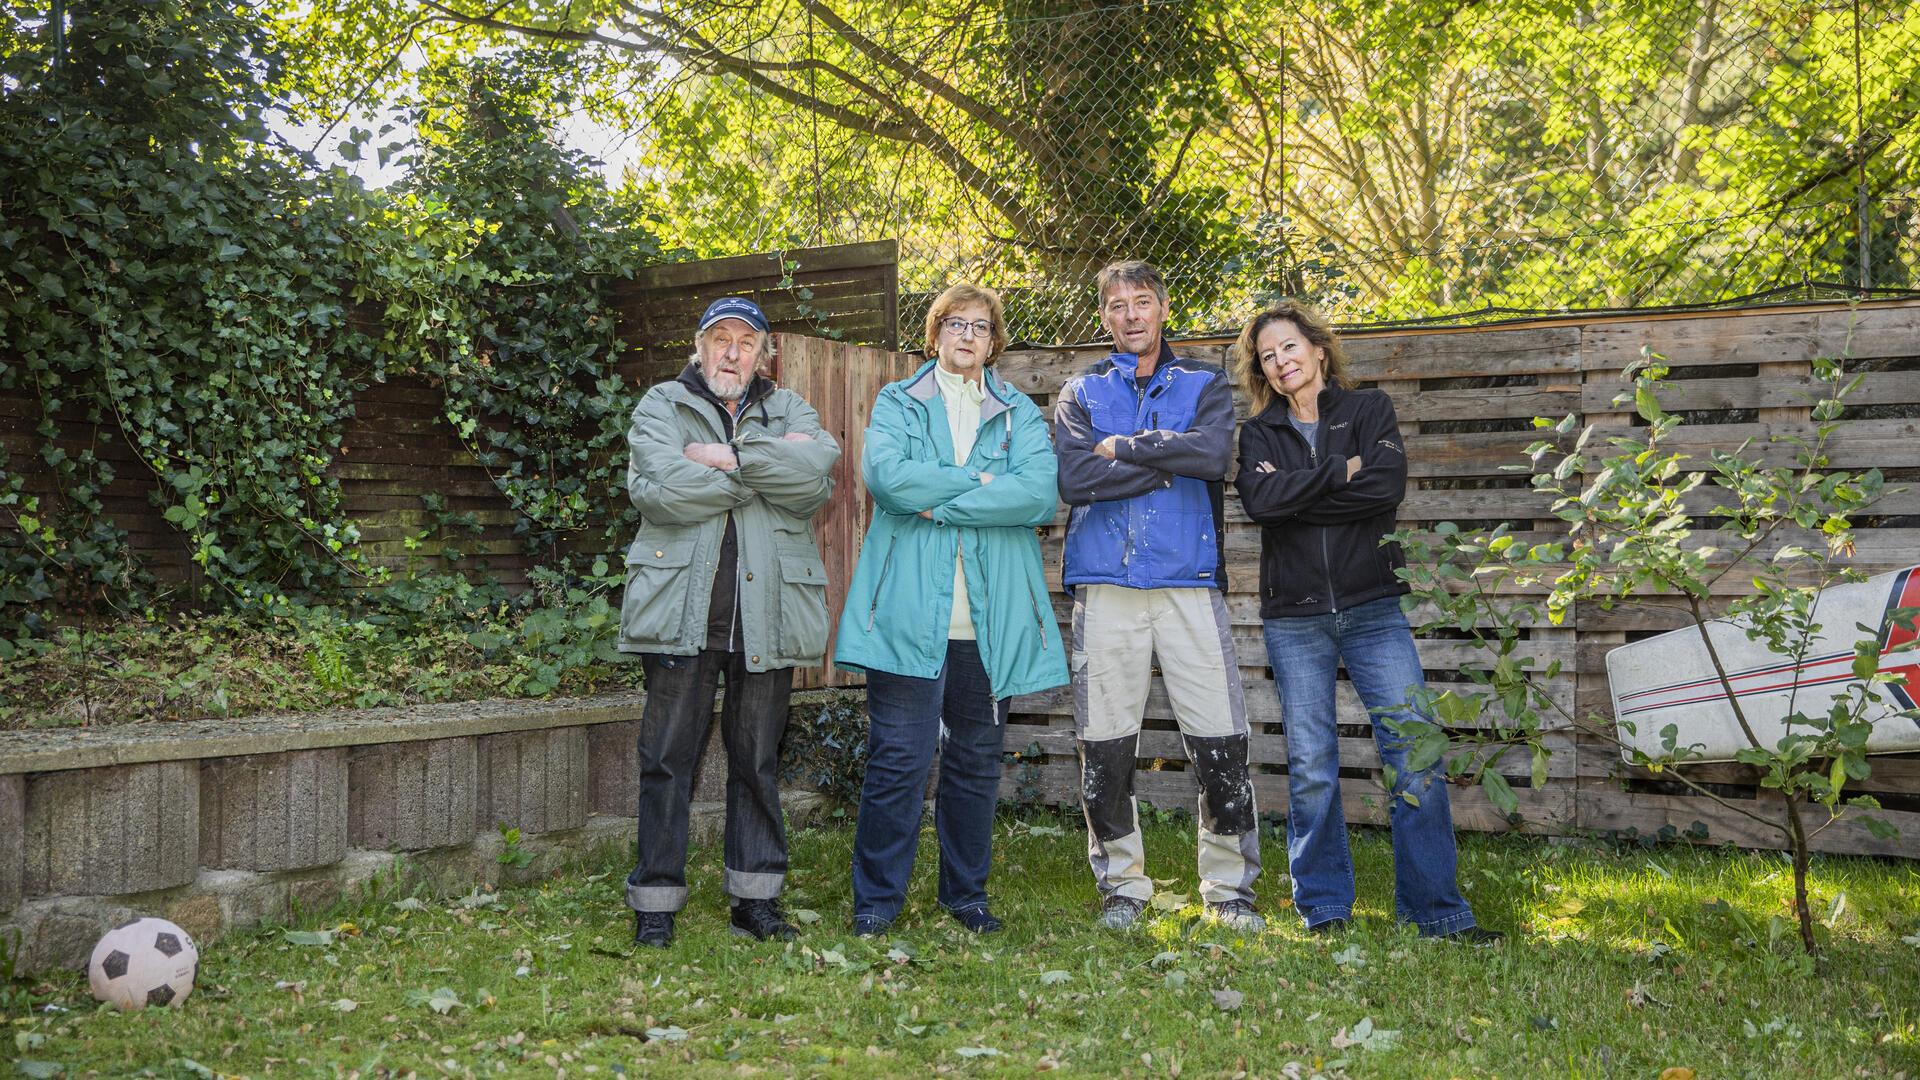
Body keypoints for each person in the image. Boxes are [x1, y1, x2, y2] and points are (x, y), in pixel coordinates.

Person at [1230, 300, 1501, 944]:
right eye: (1268, 356)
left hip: (1374, 608)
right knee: (1313, 761)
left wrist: (1302, 492)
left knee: (1414, 753)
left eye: (1290, 347)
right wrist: (1336, 473)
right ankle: (1323, 905)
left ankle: (1435, 911)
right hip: (1294, 620)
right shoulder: (1260, 434)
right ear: (1260, 370)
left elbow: (1383, 490)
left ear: (1319, 350)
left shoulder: (1369, 410)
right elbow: (1263, 505)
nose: (1281, 361)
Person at [834, 283, 1067, 938]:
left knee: (974, 762)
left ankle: (965, 898)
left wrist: (942, 493)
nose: (968, 335)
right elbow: (889, 480)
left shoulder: (1018, 409)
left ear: (995, 343)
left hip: (989, 627)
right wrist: (988, 483)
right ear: (934, 335)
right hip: (911, 618)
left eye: (982, 326)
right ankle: (876, 904)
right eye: (956, 324)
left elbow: (1038, 497)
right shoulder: (898, 400)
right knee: (898, 761)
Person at [618, 296, 842, 948]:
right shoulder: (662, 404)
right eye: (721, 338)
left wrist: (722, 456)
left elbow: (815, 480)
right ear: (700, 346)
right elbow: (657, 487)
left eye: (747, 340)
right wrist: (767, 464)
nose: (733, 352)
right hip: (681, 613)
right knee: (666, 759)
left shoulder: (791, 408)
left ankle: (756, 902)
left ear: (763, 351)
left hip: (767, 614)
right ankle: (655, 905)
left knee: (757, 761)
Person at [1054, 260, 1263, 932]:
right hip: (1105, 583)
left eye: (1142, 302)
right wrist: (1158, 466)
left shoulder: (1204, 383)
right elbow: (1075, 475)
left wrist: (1128, 449)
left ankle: (1229, 892)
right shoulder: (1080, 390)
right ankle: (1123, 886)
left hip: (1188, 581)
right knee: (1105, 741)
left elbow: (1209, 458)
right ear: (1104, 317)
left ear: (1163, 307)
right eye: (1116, 306)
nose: (1131, 316)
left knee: (1220, 738)